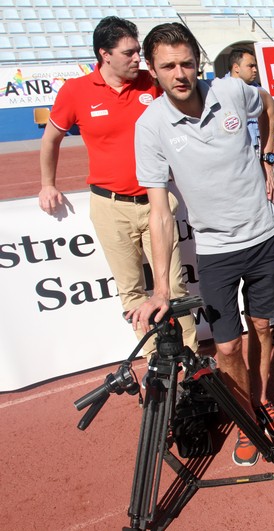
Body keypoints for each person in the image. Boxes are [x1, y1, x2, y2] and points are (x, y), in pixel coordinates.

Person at [129, 23, 274, 467]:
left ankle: (259, 401)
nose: (180, 74)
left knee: (263, 328)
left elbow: (268, 104)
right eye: (168, 66)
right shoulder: (152, 126)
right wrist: (161, 288)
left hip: (263, 235)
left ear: (197, 61)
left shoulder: (233, 91)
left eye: (186, 63)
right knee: (226, 348)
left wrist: (267, 155)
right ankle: (246, 418)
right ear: (152, 69)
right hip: (216, 251)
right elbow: (160, 213)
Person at [38, 16, 197, 355]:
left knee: (174, 287)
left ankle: (191, 367)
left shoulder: (150, 83)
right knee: (132, 294)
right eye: (128, 53)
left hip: (157, 202)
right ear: (104, 54)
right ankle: (158, 369)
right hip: (109, 207)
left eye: (138, 51)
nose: (136, 59)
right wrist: (47, 184)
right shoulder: (75, 91)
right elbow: (51, 139)